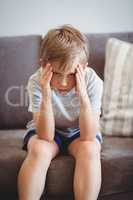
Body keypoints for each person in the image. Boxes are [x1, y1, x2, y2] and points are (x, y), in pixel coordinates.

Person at [18, 24, 103, 200]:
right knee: (40, 149)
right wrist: (46, 96)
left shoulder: (92, 80)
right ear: (43, 65)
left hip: (80, 132)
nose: (64, 83)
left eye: (71, 74)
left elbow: (88, 136)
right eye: (57, 73)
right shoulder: (36, 81)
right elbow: (46, 136)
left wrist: (83, 97)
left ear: (83, 67)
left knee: (90, 148)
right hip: (48, 132)